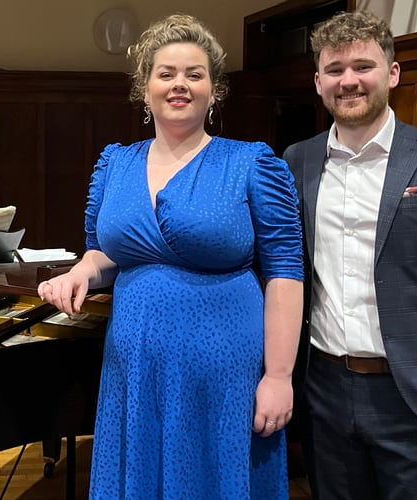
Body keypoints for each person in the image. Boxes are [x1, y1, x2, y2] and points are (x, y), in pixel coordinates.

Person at [38, 13, 304, 499]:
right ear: (146, 89)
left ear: (214, 91)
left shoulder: (251, 162)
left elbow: (286, 271)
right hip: (135, 364)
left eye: (194, 74)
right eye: (166, 74)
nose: (179, 84)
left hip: (224, 369)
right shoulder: (115, 163)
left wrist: (279, 376)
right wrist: (79, 272)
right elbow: (102, 252)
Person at [283, 10, 417, 499]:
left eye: (363, 66)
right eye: (335, 70)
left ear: (393, 73)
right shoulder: (297, 160)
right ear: (318, 82)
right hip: (325, 391)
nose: (349, 81)